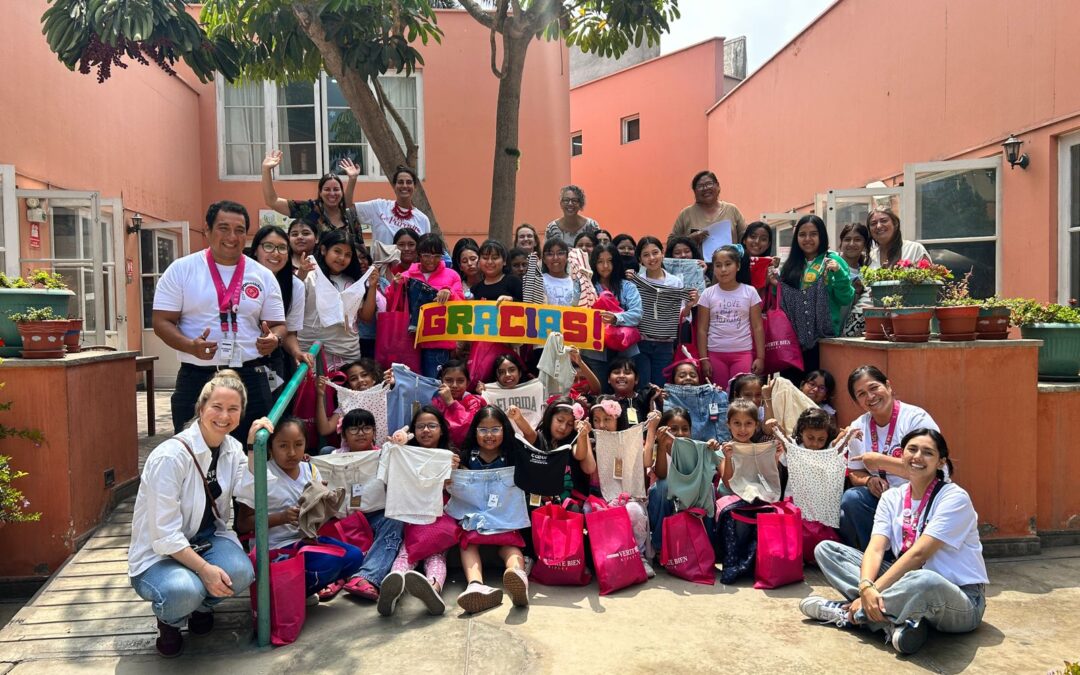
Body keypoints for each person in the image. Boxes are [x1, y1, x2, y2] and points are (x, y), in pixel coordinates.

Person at [802, 429, 987, 656]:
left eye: (928, 452)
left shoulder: (954, 498)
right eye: (912, 449)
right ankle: (897, 621)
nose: (917, 456)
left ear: (941, 462)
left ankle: (851, 615)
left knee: (926, 580)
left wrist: (872, 591)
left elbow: (919, 554)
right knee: (827, 550)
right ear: (902, 455)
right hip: (906, 582)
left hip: (959, 598)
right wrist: (866, 586)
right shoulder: (892, 497)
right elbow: (876, 547)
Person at [128, 370, 258, 658]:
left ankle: (201, 607)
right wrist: (204, 569)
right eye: (217, 407)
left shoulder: (232, 448)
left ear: (241, 415)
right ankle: (171, 621)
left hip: (206, 538)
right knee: (183, 591)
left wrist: (252, 447)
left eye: (233, 409)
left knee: (241, 573)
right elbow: (164, 535)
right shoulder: (170, 457)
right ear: (201, 408)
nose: (224, 416)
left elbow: (250, 493)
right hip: (160, 553)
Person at [153, 201, 286, 442]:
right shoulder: (181, 270)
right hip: (198, 375)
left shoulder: (263, 275)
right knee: (193, 449)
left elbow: (278, 325)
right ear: (207, 230)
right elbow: (161, 321)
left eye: (239, 230)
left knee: (252, 447)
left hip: (250, 376)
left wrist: (274, 338)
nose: (232, 237)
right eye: (223, 228)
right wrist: (189, 346)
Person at [234, 417, 364, 604]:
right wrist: (282, 517)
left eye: (298, 444)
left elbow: (319, 517)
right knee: (330, 562)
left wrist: (321, 501)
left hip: (306, 541)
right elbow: (243, 523)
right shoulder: (261, 473)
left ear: (306, 444)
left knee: (354, 556)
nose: (292, 452)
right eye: (283, 446)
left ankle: (301, 591)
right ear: (270, 447)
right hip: (276, 548)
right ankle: (286, 594)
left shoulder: (310, 470)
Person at [839, 365, 939, 550]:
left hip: (920, 496)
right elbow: (854, 471)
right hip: (884, 500)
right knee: (852, 499)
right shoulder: (857, 427)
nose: (870, 396)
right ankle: (879, 559)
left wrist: (880, 461)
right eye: (861, 394)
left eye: (874, 387)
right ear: (857, 402)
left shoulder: (915, 419)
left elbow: (929, 470)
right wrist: (868, 480)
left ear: (888, 386)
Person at [378, 406, 460, 616]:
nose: (425, 430)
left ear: (442, 429)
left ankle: (430, 588)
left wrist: (454, 473)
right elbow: (388, 479)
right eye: (420, 426)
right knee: (408, 552)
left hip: (440, 514)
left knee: (431, 554)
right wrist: (393, 449)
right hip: (412, 511)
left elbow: (461, 491)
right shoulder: (403, 453)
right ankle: (395, 585)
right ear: (413, 431)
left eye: (432, 426)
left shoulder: (451, 457)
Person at [454, 407, 530, 613]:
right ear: (474, 431)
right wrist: (452, 470)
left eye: (495, 429)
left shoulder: (513, 454)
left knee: (509, 546)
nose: (489, 435)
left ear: (505, 429)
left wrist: (519, 419)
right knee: (470, 544)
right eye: (483, 430)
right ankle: (476, 585)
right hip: (475, 517)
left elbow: (533, 440)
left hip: (506, 516)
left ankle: (516, 574)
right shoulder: (465, 457)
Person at [332, 408, 406, 601]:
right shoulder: (332, 456)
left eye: (366, 428)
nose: (361, 433)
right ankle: (334, 576)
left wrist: (397, 451)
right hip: (343, 516)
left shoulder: (384, 454)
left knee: (395, 521)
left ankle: (367, 577)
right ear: (344, 434)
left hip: (375, 515)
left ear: (374, 432)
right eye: (354, 429)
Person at [776, 215, 854, 373]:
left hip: (824, 339)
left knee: (820, 385)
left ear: (822, 236)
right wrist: (773, 284)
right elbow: (782, 301)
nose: (807, 239)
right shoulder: (790, 265)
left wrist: (839, 273)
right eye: (802, 234)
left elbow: (845, 298)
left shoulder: (834, 261)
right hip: (793, 342)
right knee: (792, 385)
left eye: (813, 234)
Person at [246, 225, 311, 392]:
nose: (276, 253)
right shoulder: (240, 278)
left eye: (282, 248)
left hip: (270, 360)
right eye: (268, 246)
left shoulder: (295, 286)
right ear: (255, 250)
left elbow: (290, 332)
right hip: (236, 359)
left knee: (271, 400)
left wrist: (297, 353)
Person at [630, 236, 698, 388]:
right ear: (640, 259)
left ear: (662, 253)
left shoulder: (675, 282)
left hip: (665, 344)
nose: (651, 258)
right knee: (642, 386)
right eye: (646, 255)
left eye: (655, 252)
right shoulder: (635, 282)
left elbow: (681, 316)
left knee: (660, 388)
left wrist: (689, 305)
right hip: (641, 342)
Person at [696, 245, 765, 386]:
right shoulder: (707, 294)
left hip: (743, 352)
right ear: (713, 268)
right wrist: (704, 359)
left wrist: (760, 357)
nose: (723, 269)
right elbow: (702, 329)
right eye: (718, 265)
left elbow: (758, 327)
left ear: (738, 266)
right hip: (715, 353)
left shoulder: (750, 292)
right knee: (719, 393)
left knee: (741, 393)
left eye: (728, 264)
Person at [398, 233, 465, 377]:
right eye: (427, 255)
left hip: (438, 342)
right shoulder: (406, 275)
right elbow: (394, 303)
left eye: (436, 256)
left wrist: (449, 292)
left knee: (435, 384)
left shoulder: (452, 275)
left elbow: (461, 306)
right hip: (409, 342)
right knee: (411, 385)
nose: (431, 260)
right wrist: (395, 286)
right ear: (419, 255)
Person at [299, 228, 364, 371]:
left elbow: (362, 316)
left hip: (349, 353)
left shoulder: (352, 282)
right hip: (310, 352)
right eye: (337, 251)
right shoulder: (309, 276)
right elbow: (292, 307)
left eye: (348, 254)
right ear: (323, 250)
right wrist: (299, 277)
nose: (342, 258)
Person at [579, 243, 642, 387]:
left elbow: (637, 314)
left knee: (625, 391)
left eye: (609, 261)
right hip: (594, 351)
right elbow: (576, 308)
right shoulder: (587, 286)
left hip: (625, 349)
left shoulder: (627, 286)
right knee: (599, 391)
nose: (605, 266)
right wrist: (580, 280)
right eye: (600, 261)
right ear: (593, 263)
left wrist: (616, 318)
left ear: (616, 262)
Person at [262, 151, 359, 236]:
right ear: (320, 193)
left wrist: (353, 178)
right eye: (327, 189)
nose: (332, 193)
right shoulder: (309, 209)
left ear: (342, 192)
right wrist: (266, 170)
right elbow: (272, 201)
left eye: (336, 189)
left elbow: (360, 245)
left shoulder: (350, 215)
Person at [355, 166, 431, 245]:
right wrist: (352, 179)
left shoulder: (423, 220)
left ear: (415, 187)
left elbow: (425, 249)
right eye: (400, 182)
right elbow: (350, 209)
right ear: (394, 186)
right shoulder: (379, 207)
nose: (405, 185)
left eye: (409, 182)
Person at [670, 170, 746, 247]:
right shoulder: (686, 214)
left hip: (731, 255)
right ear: (694, 191)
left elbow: (745, 239)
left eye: (709, 184)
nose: (705, 188)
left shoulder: (732, 210)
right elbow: (671, 243)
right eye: (700, 186)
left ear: (718, 186)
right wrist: (689, 240)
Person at [314, 358, 384, 441]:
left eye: (364, 375)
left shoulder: (386, 397)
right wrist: (320, 395)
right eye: (353, 379)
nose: (360, 380)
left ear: (373, 378)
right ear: (349, 386)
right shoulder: (346, 404)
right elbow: (325, 430)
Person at [432, 359, 486, 449]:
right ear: (441, 381)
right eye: (449, 380)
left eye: (460, 381)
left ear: (467, 383)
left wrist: (451, 403)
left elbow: (467, 430)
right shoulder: (436, 403)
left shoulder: (474, 402)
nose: (454, 385)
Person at [838, 222, 873, 337]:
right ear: (841, 243)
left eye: (857, 240)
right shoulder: (832, 266)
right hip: (829, 332)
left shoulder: (865, 273)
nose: (851, 244)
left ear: (865, 244)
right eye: (847, 239)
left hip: (850, 335)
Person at [866, 207, 930, 269]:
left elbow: (930, 275)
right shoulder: (870, 256)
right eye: (873, 223)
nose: (879, 226)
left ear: (895, 224)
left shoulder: (914, 249)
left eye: (884, 221)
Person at [740, 221, 778, 294]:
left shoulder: (771, 269)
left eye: (763, 239)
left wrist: (774, 283)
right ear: (744, 240)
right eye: (753, 237)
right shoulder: (734, 264)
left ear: (768, 244)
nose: (757, 241)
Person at [541, 238, 576, 306]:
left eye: (560, 253)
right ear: (544, 259)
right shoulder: (539, 281)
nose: (555, 258)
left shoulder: (575, 282)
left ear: (567, 257)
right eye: (550, 254)